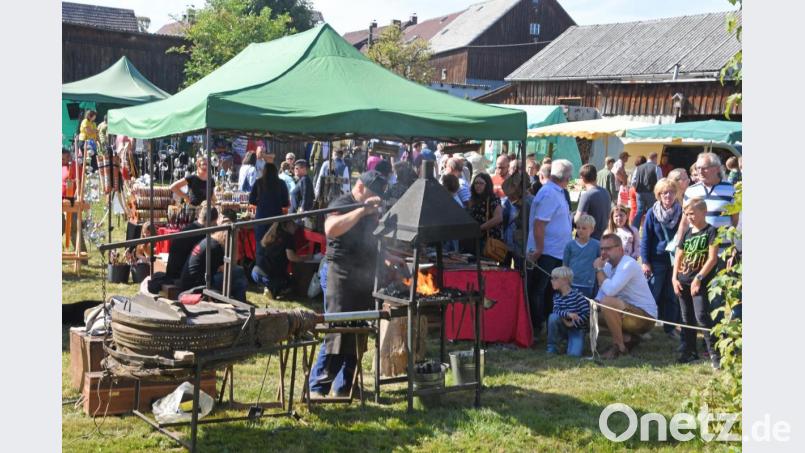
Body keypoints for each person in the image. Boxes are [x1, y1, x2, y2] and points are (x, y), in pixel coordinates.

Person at [309, 170, 388, 398]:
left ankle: (345, 387)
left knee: (358, 329)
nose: (376, 199)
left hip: (361, 274)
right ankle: (317, 388)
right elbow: (331, 228)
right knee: (337, 330)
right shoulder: (343, 203)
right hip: (339, 273)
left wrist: (390, 257)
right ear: (361, 187)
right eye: (373, 193)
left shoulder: (370, 209)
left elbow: (371, 241)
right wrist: (362, 210)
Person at [672, 197, 721, 368]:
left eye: (692, 213)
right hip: (682, 281)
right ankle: (690, 351)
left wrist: (698, 279)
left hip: (699, 282)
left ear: (703, 212)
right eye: (686, 214)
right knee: (687, 318)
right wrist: (674, 278)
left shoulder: (711, 232)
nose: (689, 217)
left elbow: (712, 259)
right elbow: (679, 256)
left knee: (702, 317)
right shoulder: (687, 232)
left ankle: (715, 355)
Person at [527, 159, 574, 336]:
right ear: (567, 177)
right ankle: (537, 325)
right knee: (539, 289)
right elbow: (539, 224)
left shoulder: (557, 191)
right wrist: (539, 249)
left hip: (555, 251)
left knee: (550, 290)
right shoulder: (549, 193)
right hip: (546, 251)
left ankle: (549, 323)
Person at [593, 234, 658, 359]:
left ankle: (619, 347)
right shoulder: (608, 266)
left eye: (608, 248)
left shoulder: (628, 264)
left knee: (608, 302)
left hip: (645, 317)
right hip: (626, 311)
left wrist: (598, 269)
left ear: (620, 249)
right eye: (602, 249)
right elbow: (602, 291)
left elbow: (610, 291)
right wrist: (594, 303)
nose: (604, 252)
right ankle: (628, 338)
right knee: (590, 315)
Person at [640, 178, 684, 342]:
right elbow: (646, 238)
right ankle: (644, 327)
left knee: (671, 296)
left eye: (671, 192)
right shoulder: (652, 213)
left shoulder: (682, 212)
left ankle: (670, 328)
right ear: (659, 194)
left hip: (675, 261)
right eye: (665, 193)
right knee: (652, 295)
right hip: (656, 261)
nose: (668, 196)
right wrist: (645, 261)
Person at [178, 220, 248, 301]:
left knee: (236, 276)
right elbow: (227, 267)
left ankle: (238, 302)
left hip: (189, 284)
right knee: (238, 273)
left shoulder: (209, 241)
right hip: (196, 288)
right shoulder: (216, 247)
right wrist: (234, 246)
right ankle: (240, 303)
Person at [252, 221, 311, 299]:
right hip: (268, 274)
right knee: (289, 284)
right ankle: (270, 288)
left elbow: (263, 243)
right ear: (288, 224)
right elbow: (291, 257)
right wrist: (305, 258)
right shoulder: (288, 237)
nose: (296, 228)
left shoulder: (274, 233)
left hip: (255, 271)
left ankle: (267, 286)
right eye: (294, 225)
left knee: (284, 276)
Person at [249, 163, 291, 269]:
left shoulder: (258, 183)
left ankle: (260, 270)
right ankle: (274, 272)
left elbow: (251, 200)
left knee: (260, 247)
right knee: (275, 248)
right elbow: (285, 203)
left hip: (261, 220)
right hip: (276, 220)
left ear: (264, 171)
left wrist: (261, 202)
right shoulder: (281, 183)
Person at [165, 203, 219, 280]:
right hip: (182, 277)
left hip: (173, 274)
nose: (216, 225)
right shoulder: (202, 234)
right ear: (212, 221)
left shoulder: (189, 229)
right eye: (215, 222)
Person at [546, 266, 590, 357]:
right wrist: (568, 315)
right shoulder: (557, 296)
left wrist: (573, 323)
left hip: (577, 329)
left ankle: (569, 343)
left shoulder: (578, 295)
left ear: (565, 280)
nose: (551, 281)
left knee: (574, 355)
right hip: (564, 326)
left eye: (555, 278)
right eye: (552, 278)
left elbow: (587, 313)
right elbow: (556, 311)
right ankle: (552, 347)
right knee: (552, 317)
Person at [563, 214, 600, 298]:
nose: (580, 230)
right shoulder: (570, 245)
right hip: (571, 283)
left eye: (584, 228)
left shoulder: (597, 245)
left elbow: (602, 261)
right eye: (578, 228)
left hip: (588, 284)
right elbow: (565, 265)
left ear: (592, 229)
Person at [501, 173, 533, 270]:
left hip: (521, 244)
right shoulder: (508, 201)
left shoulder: (530, 202)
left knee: (520, 270)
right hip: (507, 241)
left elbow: (528, 225)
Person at [466, 173, 503, 253]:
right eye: (476, 183)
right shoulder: (472, 199)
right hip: (474, 238)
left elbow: (498, 218)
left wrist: (480, 228)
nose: (478, 186)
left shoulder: (493, 198)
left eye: (481, 183)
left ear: (487, 185)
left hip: (488, 240)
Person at [575, 164, 611, 240]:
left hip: (589, 239)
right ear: (596, 176)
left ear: (582, 178)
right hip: (603, 237)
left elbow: (577, 219)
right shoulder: (606, 192)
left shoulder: (587, 195)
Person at [631, 152, 661, 229]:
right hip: (651, 193)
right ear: (655, 158)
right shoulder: (656, 168)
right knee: (651, 211)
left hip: (639, 193)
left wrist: (637, 190)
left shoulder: (638, 168)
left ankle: (634, 229)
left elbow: (633, 182)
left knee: (639, 211)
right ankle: (648, 229)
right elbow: (660, 182)